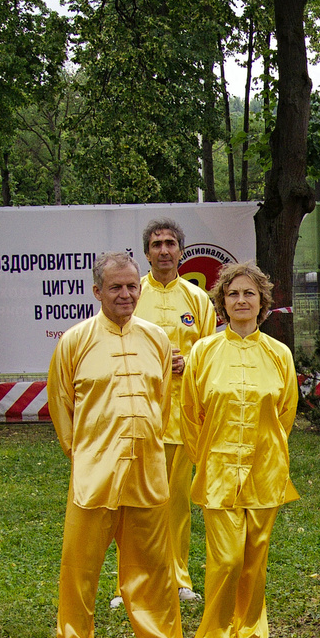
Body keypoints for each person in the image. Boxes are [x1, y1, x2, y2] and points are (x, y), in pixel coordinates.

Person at [47, 251, 205, 638]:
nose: (126, 294)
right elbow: (62, 407)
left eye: (132, 286)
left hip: (147, 472)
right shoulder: (74, 341)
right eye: (115, 287)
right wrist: (83, 457)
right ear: (96, 291)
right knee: (79, 570)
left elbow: (161, 400)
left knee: (155, 567)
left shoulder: (156, 338)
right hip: (93, 477)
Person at [185, 261, 299, 638]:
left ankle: (250, 637)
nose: (241, 300)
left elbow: (285, 412)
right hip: (217, 470)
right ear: (222, 302)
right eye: (233, 293)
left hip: (266, 471)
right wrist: (210, 458)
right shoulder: (204, 352)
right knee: (226, 559)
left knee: (254, 559)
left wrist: (266, 452)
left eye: (249, 293)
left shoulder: (278, 354)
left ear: (262, 302)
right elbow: (189, 413)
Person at [133, 221, 217, 600]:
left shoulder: (197, 300)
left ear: (181, 250)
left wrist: (190, 365)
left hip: (182, 415)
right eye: (156, 244)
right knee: (136, 498)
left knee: (177, 500)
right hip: (138, 410)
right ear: (146, 253)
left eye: (170, 244)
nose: (164, 250)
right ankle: (133, 580)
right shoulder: (133, 297)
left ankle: (178, 576)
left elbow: (210, 354)